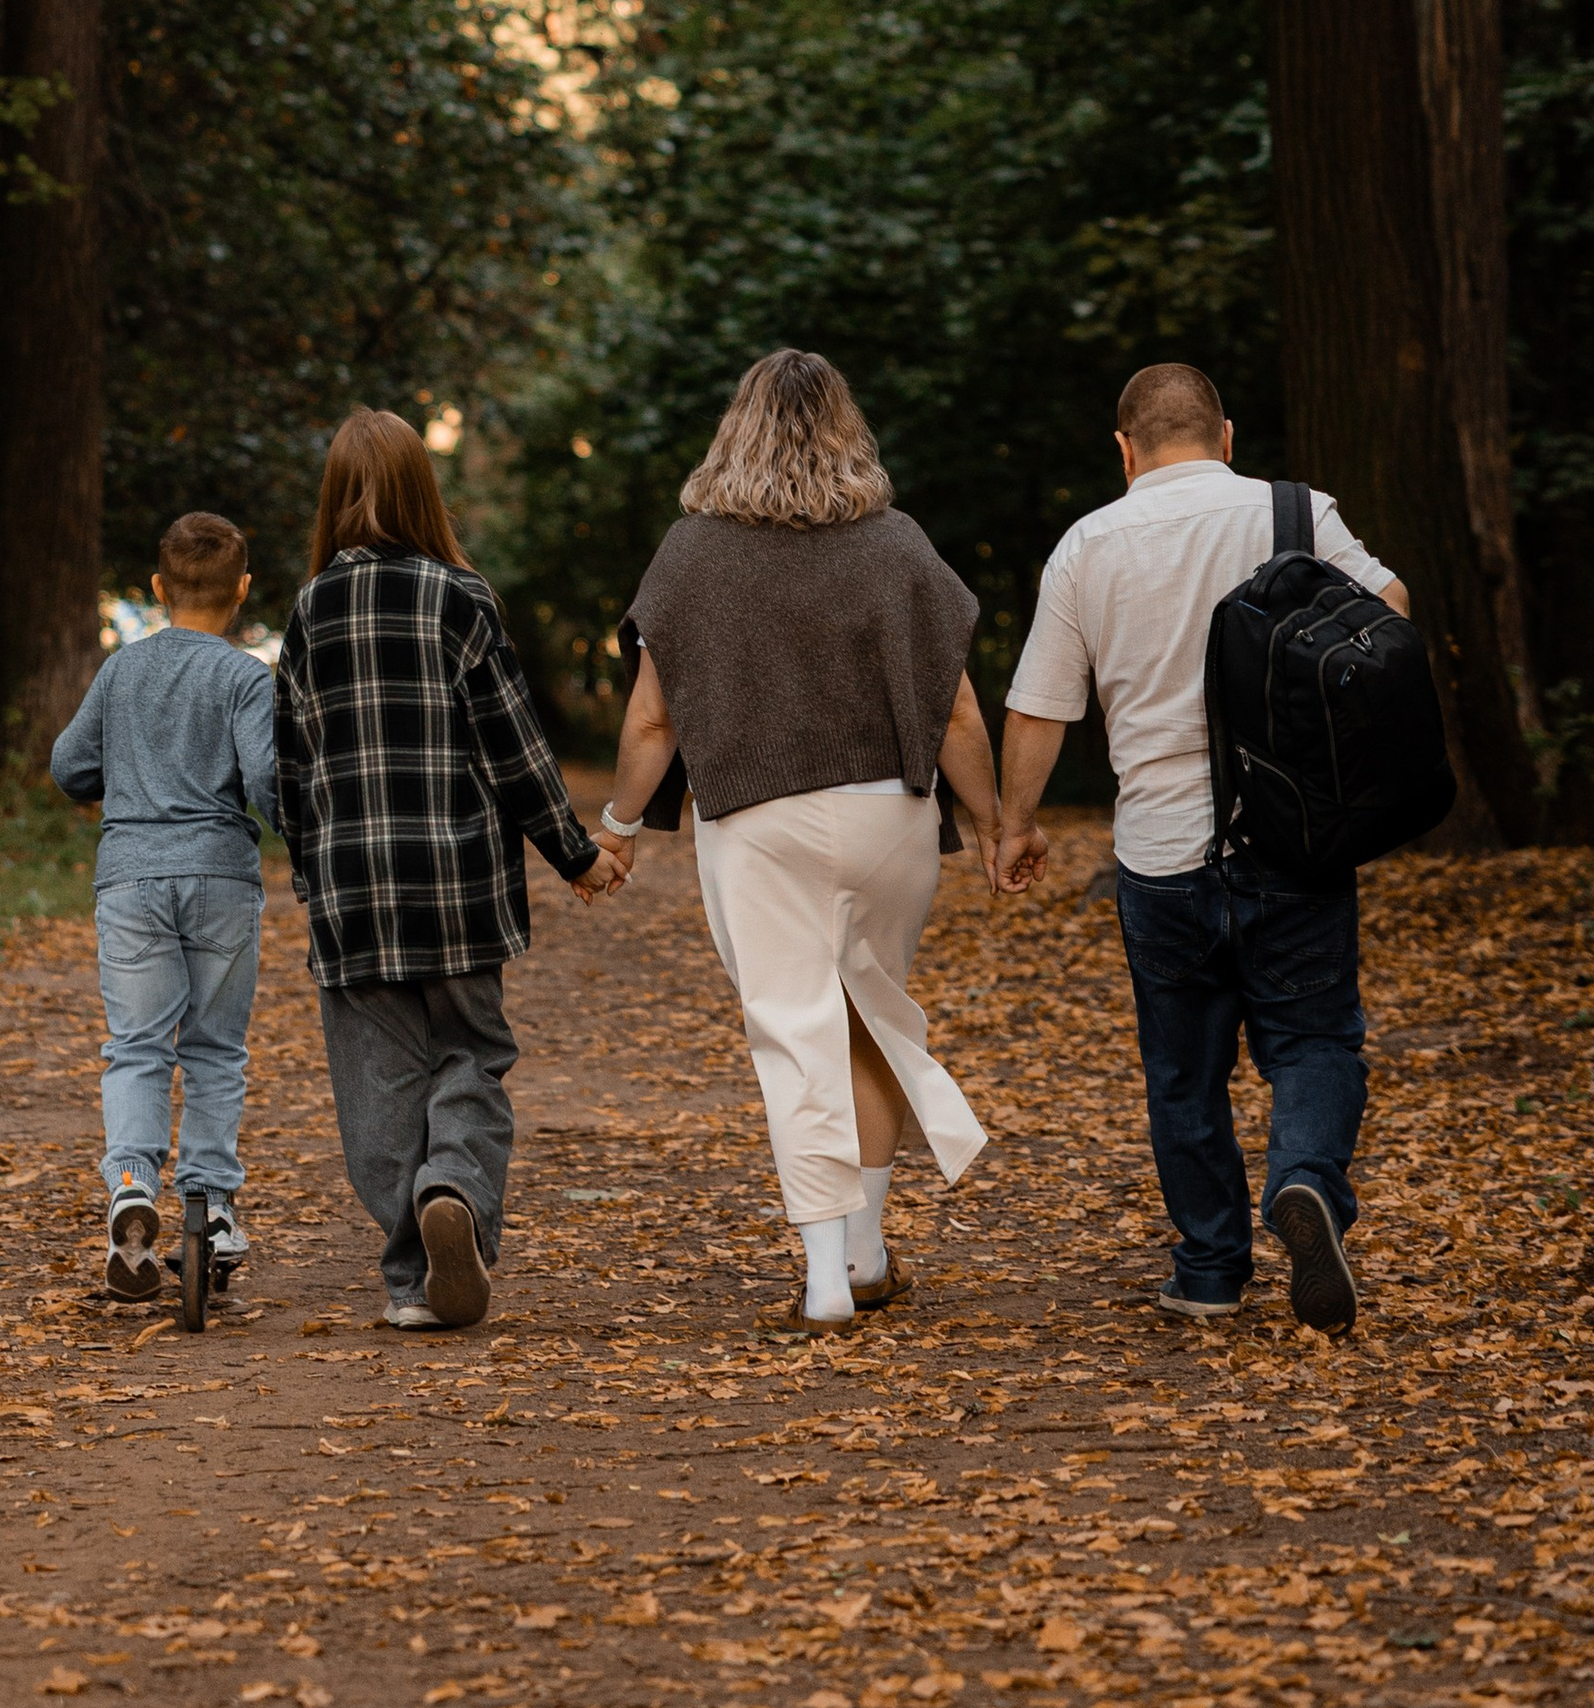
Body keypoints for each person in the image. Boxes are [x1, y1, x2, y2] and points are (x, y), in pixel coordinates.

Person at [995, 359, 1410, 1333]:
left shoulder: (1086, 545)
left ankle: (1211, 1275)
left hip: (1161, 854)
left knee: (1182, 1073)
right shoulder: (1296, 513)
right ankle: (1303, 1181)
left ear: (1124, 450)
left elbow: (1038, 708)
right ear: (1225, 438)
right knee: (1312, 1041)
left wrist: (1015, 826)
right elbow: (1389, 617)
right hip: (1295, 840)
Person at [595, 348, 1001, 1331]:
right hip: (885, 818)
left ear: (733, 429)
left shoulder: (690, 553)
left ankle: (824, 1273)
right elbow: (952, 715)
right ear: (843, 430)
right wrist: (996, 821)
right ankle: (864, 1251)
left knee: (791, 1024)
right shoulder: (897, 545)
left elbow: (652, 724)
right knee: (868, 1013)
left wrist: (616, 827)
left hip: (755, 820)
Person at [273, 408, 619, 1333]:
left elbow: (294, 771)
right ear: (427, 491)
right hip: (459, 889)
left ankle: (409, 1281)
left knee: (376, 1086)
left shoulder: (309, 612)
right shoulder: (459, 598)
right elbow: (514, 748)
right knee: (472, 1052)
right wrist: (575, 856)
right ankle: (455, 1193)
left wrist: (314, 882)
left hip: (356, 895)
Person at [49, 509, 279, 1304]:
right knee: (216, 1049)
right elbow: (265, 784)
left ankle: (129, 1187)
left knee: (137, 1046)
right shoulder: (248, 678)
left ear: (156, 588)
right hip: (220, 877)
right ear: (243, 589)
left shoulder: (121, 672)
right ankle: (210, 1206)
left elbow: (69, 764)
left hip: (132, 878)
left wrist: (117, 780)